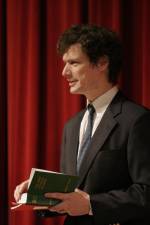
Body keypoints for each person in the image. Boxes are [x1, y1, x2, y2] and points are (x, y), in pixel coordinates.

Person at [14, 24, 150, 225]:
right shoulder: (72, 125)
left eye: (74, 63)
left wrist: (90, 204)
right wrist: (42, 193)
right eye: (64, 63)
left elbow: (146, 192)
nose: (64, 72)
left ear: (102, 63)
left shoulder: (137, 119)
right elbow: (73, 192)